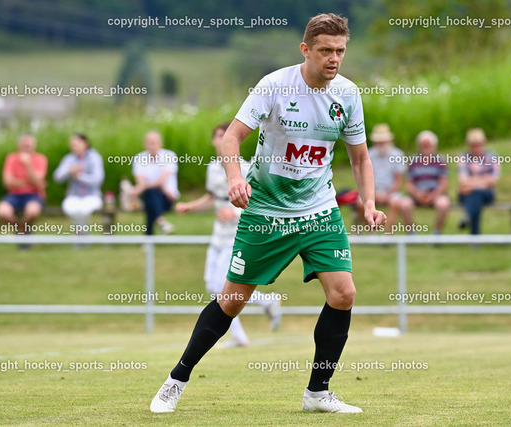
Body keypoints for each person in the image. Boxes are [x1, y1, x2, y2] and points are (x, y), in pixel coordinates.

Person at [150, 13, 386, 414]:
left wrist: (369, 203)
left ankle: (317, 393)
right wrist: (234, 179)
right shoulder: (275, 86)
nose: (334, 58)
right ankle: (176, 380)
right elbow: (231, 138)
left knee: (344, 293)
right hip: (266, 212)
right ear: (305, 49)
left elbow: (361, 158)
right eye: (325, 50)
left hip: (319, 211)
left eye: (340, 51)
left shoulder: (347, 94)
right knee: (231, 302)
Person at [175, 122, 282, 347]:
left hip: (238, 234)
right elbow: (212, 198)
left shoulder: (246, 167)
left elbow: (259, 200)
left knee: (220, 287)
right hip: (218, 235)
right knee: (211, 286)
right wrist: (189, 207)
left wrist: (234, 213)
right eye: (218, 136)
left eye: (225, 135)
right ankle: (261, 307)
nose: (221, 140)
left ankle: (253, 318)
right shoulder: (212, 168)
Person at [0, 134, 48, 243]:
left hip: (34, 194)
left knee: (32, 211)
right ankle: (21, 229)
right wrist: (31, 182)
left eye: (28, 146)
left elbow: (38, 182)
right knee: (2, 211)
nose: (26, 149)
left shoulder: (41, 158)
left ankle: (22, 231)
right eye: (24, 146)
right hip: (14, 194)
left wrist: (28, 164)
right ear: (18, 145)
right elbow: (7, 182)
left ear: (34, 146)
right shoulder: (11, 158)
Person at [396, 130, 449, 234]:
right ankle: (411, 233)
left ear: (434, 146)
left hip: (435, 194)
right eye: (423, 145)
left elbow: (444, 183)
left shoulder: (440, 161)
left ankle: (437, 233)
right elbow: (409, 184)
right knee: (404, 204)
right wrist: (417, 194)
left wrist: (432, 195)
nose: (426, 148)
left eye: (428, 145)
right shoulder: (413, 161)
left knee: (443, 203)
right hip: (416, 195)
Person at [53, 133, 105, 232]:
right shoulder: (69, 159)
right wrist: (69, 171)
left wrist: (79, 176)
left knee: (84, 210)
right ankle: (83, 233)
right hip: (73, 196)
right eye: (72, 145)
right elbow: (57, 177)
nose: (74, 147)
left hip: (92, 196)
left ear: (85, 143)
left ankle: (80, 234)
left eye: (76, 144)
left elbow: (98, 179)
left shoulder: (95, 158)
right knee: (70, 208)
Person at [130, 131, 179, 235]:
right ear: (145, 144)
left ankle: (149, 236)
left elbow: (160, 181)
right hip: (150, 196)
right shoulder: (139, 158)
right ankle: (160, 221)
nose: (152, 146)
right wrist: (144, 186)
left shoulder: (169, 156)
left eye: (154, 143)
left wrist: (139, 189)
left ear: (161, 144)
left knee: (150, 196)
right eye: (150, 143)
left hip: (167, 196)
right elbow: (141, 181)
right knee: (151, 195)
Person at [457, 128, 500, 235]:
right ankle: (474, 237)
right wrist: (483, 180)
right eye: (473, 146)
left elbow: (493, 180)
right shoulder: (463, 157)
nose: (476, 148)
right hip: (467, 194)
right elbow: (463, 181)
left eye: (479, 145)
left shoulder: (492, 156)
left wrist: (472, 182)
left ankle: (468, 217)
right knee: (476, 196)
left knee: (477, 194)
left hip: (485, 194)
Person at [367, 123, 405, 233]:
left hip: (391, 192)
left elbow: (398, 181)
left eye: (383, 141)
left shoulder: (398, 154)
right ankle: (371, 232)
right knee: (360, 203)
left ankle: (387, 234)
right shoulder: (369, 154)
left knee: (395, 202)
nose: (380, 144)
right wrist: (373, 194)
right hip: (372, 191)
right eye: (378, 141)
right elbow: (366, 179)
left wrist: (387, 194)